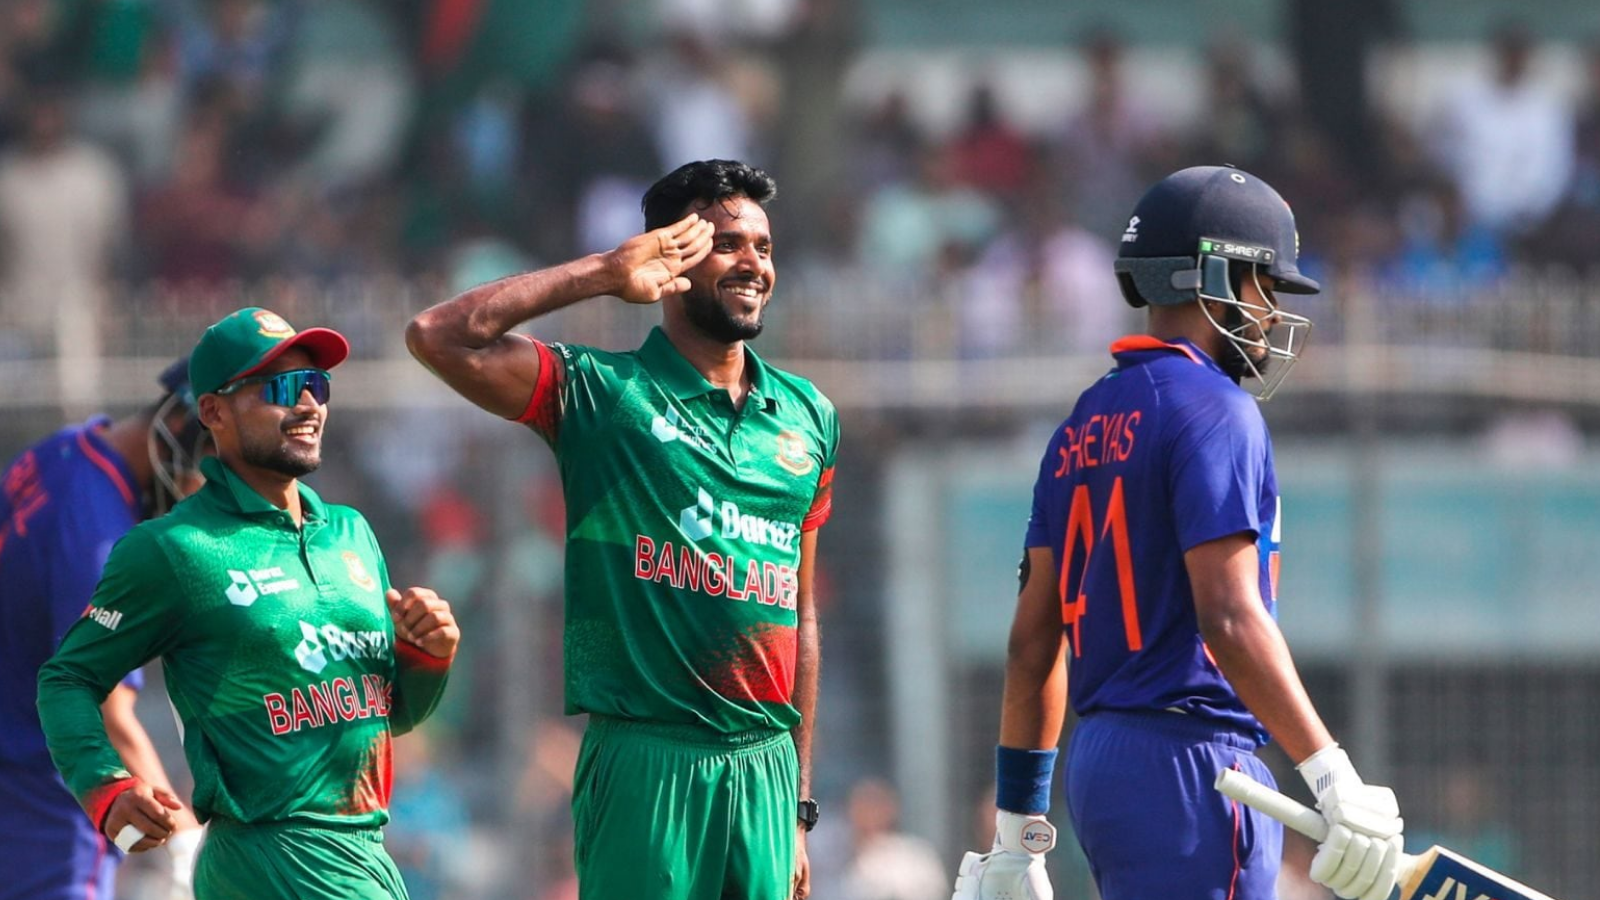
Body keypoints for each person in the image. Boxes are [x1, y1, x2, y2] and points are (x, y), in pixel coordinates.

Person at [951, 166, 1406, 900]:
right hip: (1197, 764)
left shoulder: (1081, 423)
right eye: (1266, 284)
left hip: (1100, 764)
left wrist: (1017, 835)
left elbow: (1032, 642)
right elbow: (1227, 615)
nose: (1270, 311)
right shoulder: (1215, 407)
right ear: (1218, 276)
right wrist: (1333, 775)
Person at [407, 158, 838, 900]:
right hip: (646, 762)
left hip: (766, 769)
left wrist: (797, 807)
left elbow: (801, 615)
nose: (754, 264)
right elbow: (438, 336)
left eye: (763, 247)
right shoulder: (602, 398)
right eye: (729, 244)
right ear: (673, 258)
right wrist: (604, 273)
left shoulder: (809, 417)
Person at [37, 307, 461, 900]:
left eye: (316, 386)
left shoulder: (351, 532)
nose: (308, 404)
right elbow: (67, 679)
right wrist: (104, 786)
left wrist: (429, 656)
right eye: (282, 388)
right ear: (214, 411)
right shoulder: (175, 548)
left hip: (363, 853)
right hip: (271, 859)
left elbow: (386, 715)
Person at [0, 358, 206, 900]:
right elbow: (106, 715)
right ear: (179, 431)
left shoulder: (64, 449)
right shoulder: (101, 541)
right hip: (48, 803)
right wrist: (184, 842)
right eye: (216, 473)